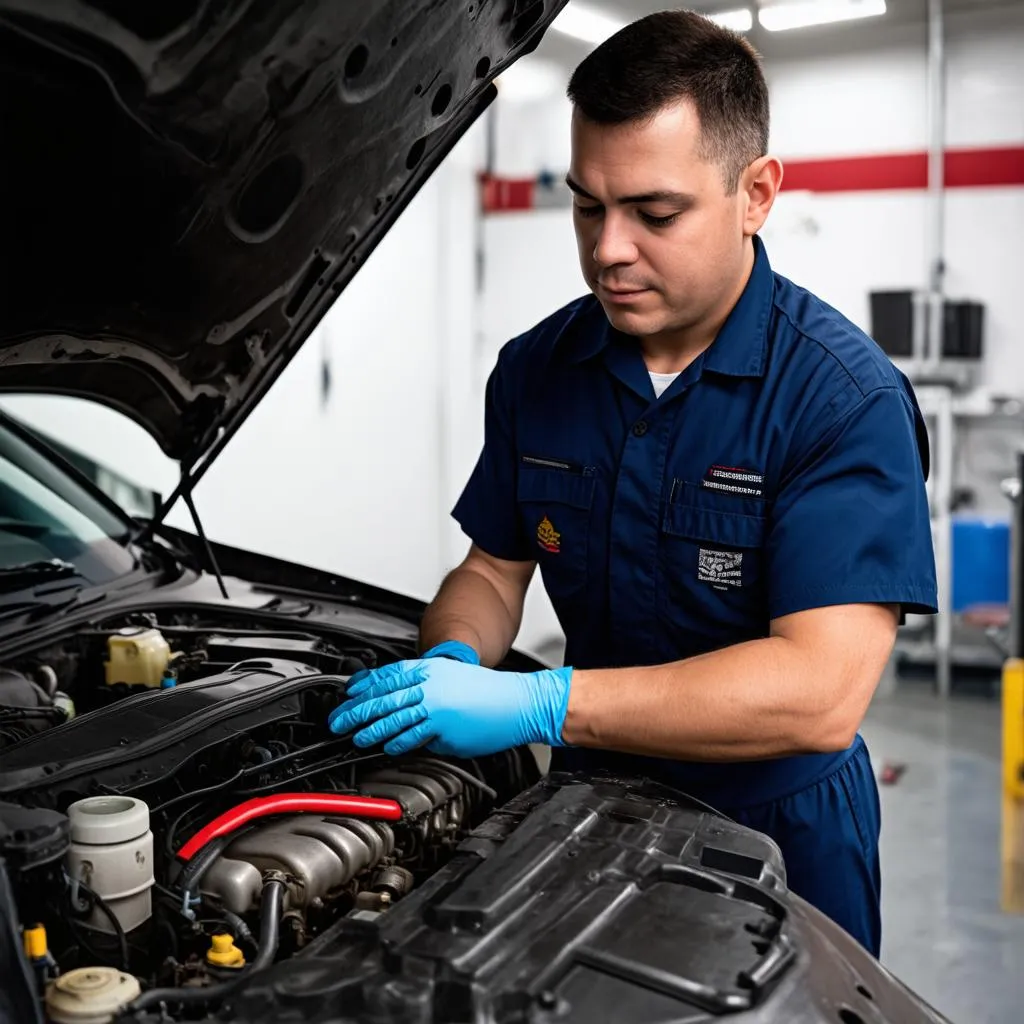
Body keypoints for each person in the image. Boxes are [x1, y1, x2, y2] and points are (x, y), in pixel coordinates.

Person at [327, 9, 937, 957]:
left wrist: (539, 705)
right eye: (586, 206)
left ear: (756, 193)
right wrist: (455, 658)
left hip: (777, 840)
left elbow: (820, 689)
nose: (609, 249)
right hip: (584, 813)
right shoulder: (539, 369)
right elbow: (493, 573)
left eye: (655, 214)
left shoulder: (841, 399)